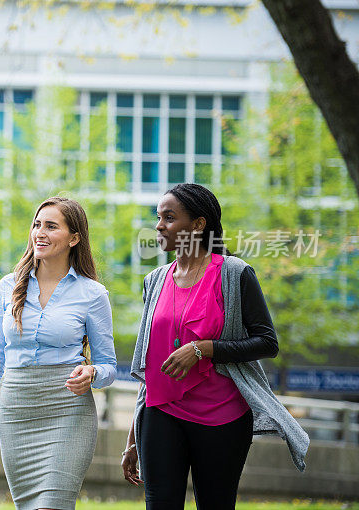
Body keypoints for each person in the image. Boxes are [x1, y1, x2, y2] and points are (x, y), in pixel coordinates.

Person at [121, 183, 309, 509]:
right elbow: (152, 364)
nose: (159, 226)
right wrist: (134, 436)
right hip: (162, 413)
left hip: (222, 416)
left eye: (169, 217)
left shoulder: (234, 274)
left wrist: (204, 349)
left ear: (197, 224)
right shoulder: (155, 280)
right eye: (158, 217)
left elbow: (266, 342)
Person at [0, 196, 117, 510]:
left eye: (51, 226)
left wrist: (93, 373)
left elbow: (109, 366)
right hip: (17, 414)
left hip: (68, 413)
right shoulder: (8, 287)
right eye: (37, 224)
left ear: (74, 238)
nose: (39, 233)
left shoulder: (92, 294)